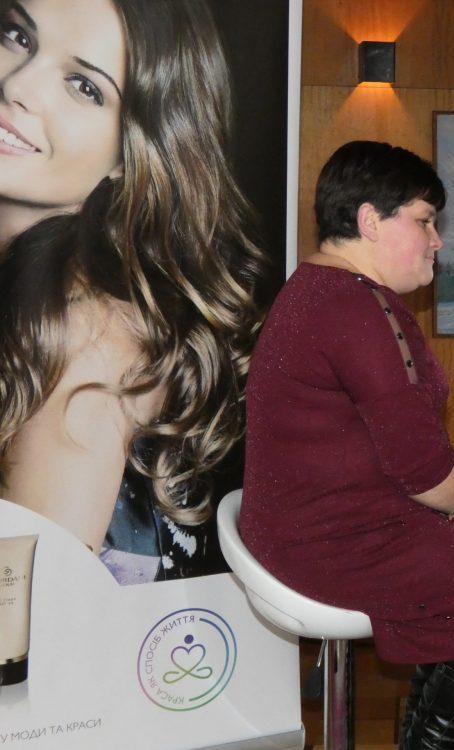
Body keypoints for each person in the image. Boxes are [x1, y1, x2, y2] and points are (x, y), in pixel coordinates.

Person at [240, 141, 454, 750]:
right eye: (425, 221)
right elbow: (421, 466)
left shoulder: (321, 288)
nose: (437, 241)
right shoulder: (353, 307)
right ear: (369, 221)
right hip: (326, 540)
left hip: (309, 523)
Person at [0, 0, 265, 582]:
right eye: (17, 36)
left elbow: (33, 612)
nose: (18, 86)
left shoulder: (83, 327)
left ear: (130, 152)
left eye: (84, 86)